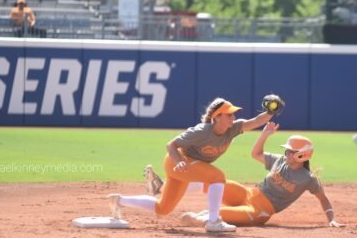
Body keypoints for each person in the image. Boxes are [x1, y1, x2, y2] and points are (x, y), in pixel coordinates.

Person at [107, 95, 284, 232]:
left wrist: (270, 112)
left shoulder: (232, 129)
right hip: (178, 162)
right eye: (229, 114)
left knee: (163, 208)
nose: (233, 117)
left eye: (233, 114)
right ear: (216, 117)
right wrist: (178, 162)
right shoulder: (201, 131)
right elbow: (172, 145)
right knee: (217, 177)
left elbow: (255, 122)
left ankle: (119, 200)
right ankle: (213, 221)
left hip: (188, 168)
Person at [148, 122, 345, 228]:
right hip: (247, 194)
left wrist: (331, 219)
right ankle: (164, 187)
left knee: (216, 214)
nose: (287, 153)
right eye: (287, 150)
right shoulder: (280, 161)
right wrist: (264, 135)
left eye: (292, 151)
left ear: (303, 155)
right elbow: (255, 154)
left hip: (261, 211)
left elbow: (324, 199)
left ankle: (202, 218)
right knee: (217, 182)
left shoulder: (308, 180)